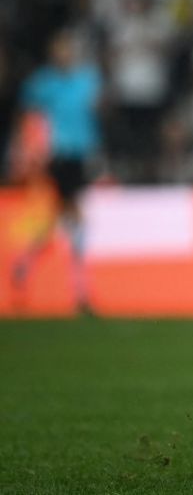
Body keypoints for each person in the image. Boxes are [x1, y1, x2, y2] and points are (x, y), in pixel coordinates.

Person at [11, 28, 102, 315]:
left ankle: (24, 265)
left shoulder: (87, 79)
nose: (65, 54)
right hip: (59, 155)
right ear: (53, 54)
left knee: (59, 221)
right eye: (60, 49)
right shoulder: (43, 83)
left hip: (82, 154)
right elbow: (27, 116)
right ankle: (81, 293)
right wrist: (28, 150)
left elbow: (95, 112)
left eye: (68, 49)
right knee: (75, 219)